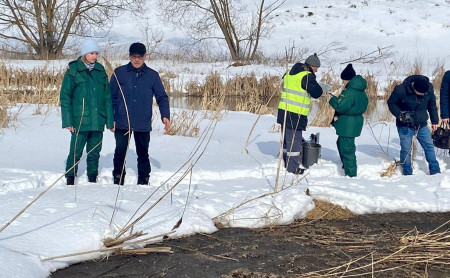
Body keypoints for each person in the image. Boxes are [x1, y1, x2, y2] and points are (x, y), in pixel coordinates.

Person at [110, 42, 170, 185]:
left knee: (143, 152)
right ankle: (118, 178)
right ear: (129, 56)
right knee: (120, 151)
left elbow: (162, 97)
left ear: (145, 57)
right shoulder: (119, 73)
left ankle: (144, 180)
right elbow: (110, 96)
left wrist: (165, 115)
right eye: (134, 56)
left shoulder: (153, 76)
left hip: (142, 121)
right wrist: (110, 117)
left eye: (140, 56)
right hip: (122, 120)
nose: (137, 60)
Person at [60, 39, 114, 185]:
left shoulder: (100, 70)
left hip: (98, 119)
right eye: (91, 53)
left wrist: (109, 121)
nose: (94, 56)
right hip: (80, 120)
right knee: (76, 151)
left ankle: (92, 177)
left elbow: (107, 97)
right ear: (84, 53)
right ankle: (70, 177)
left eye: (96, 53)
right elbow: (65, 98)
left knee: (94, 152)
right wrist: (68, 121)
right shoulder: (73, 71)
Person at [277, 53, 323, 175]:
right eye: (316, 67)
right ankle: (293, 168)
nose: (316, 70)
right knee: (294, 141)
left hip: (284, 110)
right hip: (295, 114)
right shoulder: (307, 76)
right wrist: (321, 87)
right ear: (311, 65)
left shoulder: (290, 73)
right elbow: (317, 92)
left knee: (287, 139)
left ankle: (286, 162)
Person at [387, 75, 440, 175]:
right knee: (406, 149)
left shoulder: (429, 88)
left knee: (429, 146)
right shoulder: (401, 90)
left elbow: (432, 105)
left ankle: (436, 171)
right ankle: (407, 173)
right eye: (420, 93)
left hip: (422, 124)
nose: (423, 95)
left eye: (424, 93)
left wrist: (435, 121)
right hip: (404, 125)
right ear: (414, 87)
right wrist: (400, 115)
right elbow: (391, 103)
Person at [328, 64, 368, 177]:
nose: (343, 83)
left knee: (347, 149)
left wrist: (332, 99)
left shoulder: (350, 91)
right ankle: (346, 167)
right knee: (342, 143)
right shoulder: (361, 91)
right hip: (354, 122)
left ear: (348, 79)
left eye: (343, 80)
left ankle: (351, 175)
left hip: (348, 124)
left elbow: (341, 107)